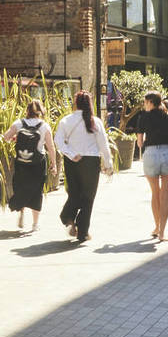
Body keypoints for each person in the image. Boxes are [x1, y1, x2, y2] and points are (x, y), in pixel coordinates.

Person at [54, 91, 112, 243]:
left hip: (72, 161)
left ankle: (67, 217)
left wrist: (71, 153)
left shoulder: (66, 120)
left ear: (75, 103)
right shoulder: (95, 122)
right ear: (90, 104)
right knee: (88, 198)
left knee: (73, 192)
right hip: (91, 162)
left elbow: (58, 140)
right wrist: (108, 164)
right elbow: (103, 145)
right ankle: (83, 232)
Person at [3, 99, 58, 232]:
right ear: (41, 111)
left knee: (21, 187)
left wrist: (15, 138)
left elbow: (5, 137)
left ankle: (21, 212)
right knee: (36, 192)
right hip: (38, 164)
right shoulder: (44, 126)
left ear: (27, 110)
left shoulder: (19, 123)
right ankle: (35, 224)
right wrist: (54, 164)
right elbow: (51, 147)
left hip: (21, 163)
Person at [137, 91, 168, 242]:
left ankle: (156, 226)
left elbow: (140, 143)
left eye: (145, 102)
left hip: (151, 154)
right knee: (165, 195)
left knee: (155, 192)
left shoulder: (143, 117)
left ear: (149, 102)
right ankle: (162, 233)